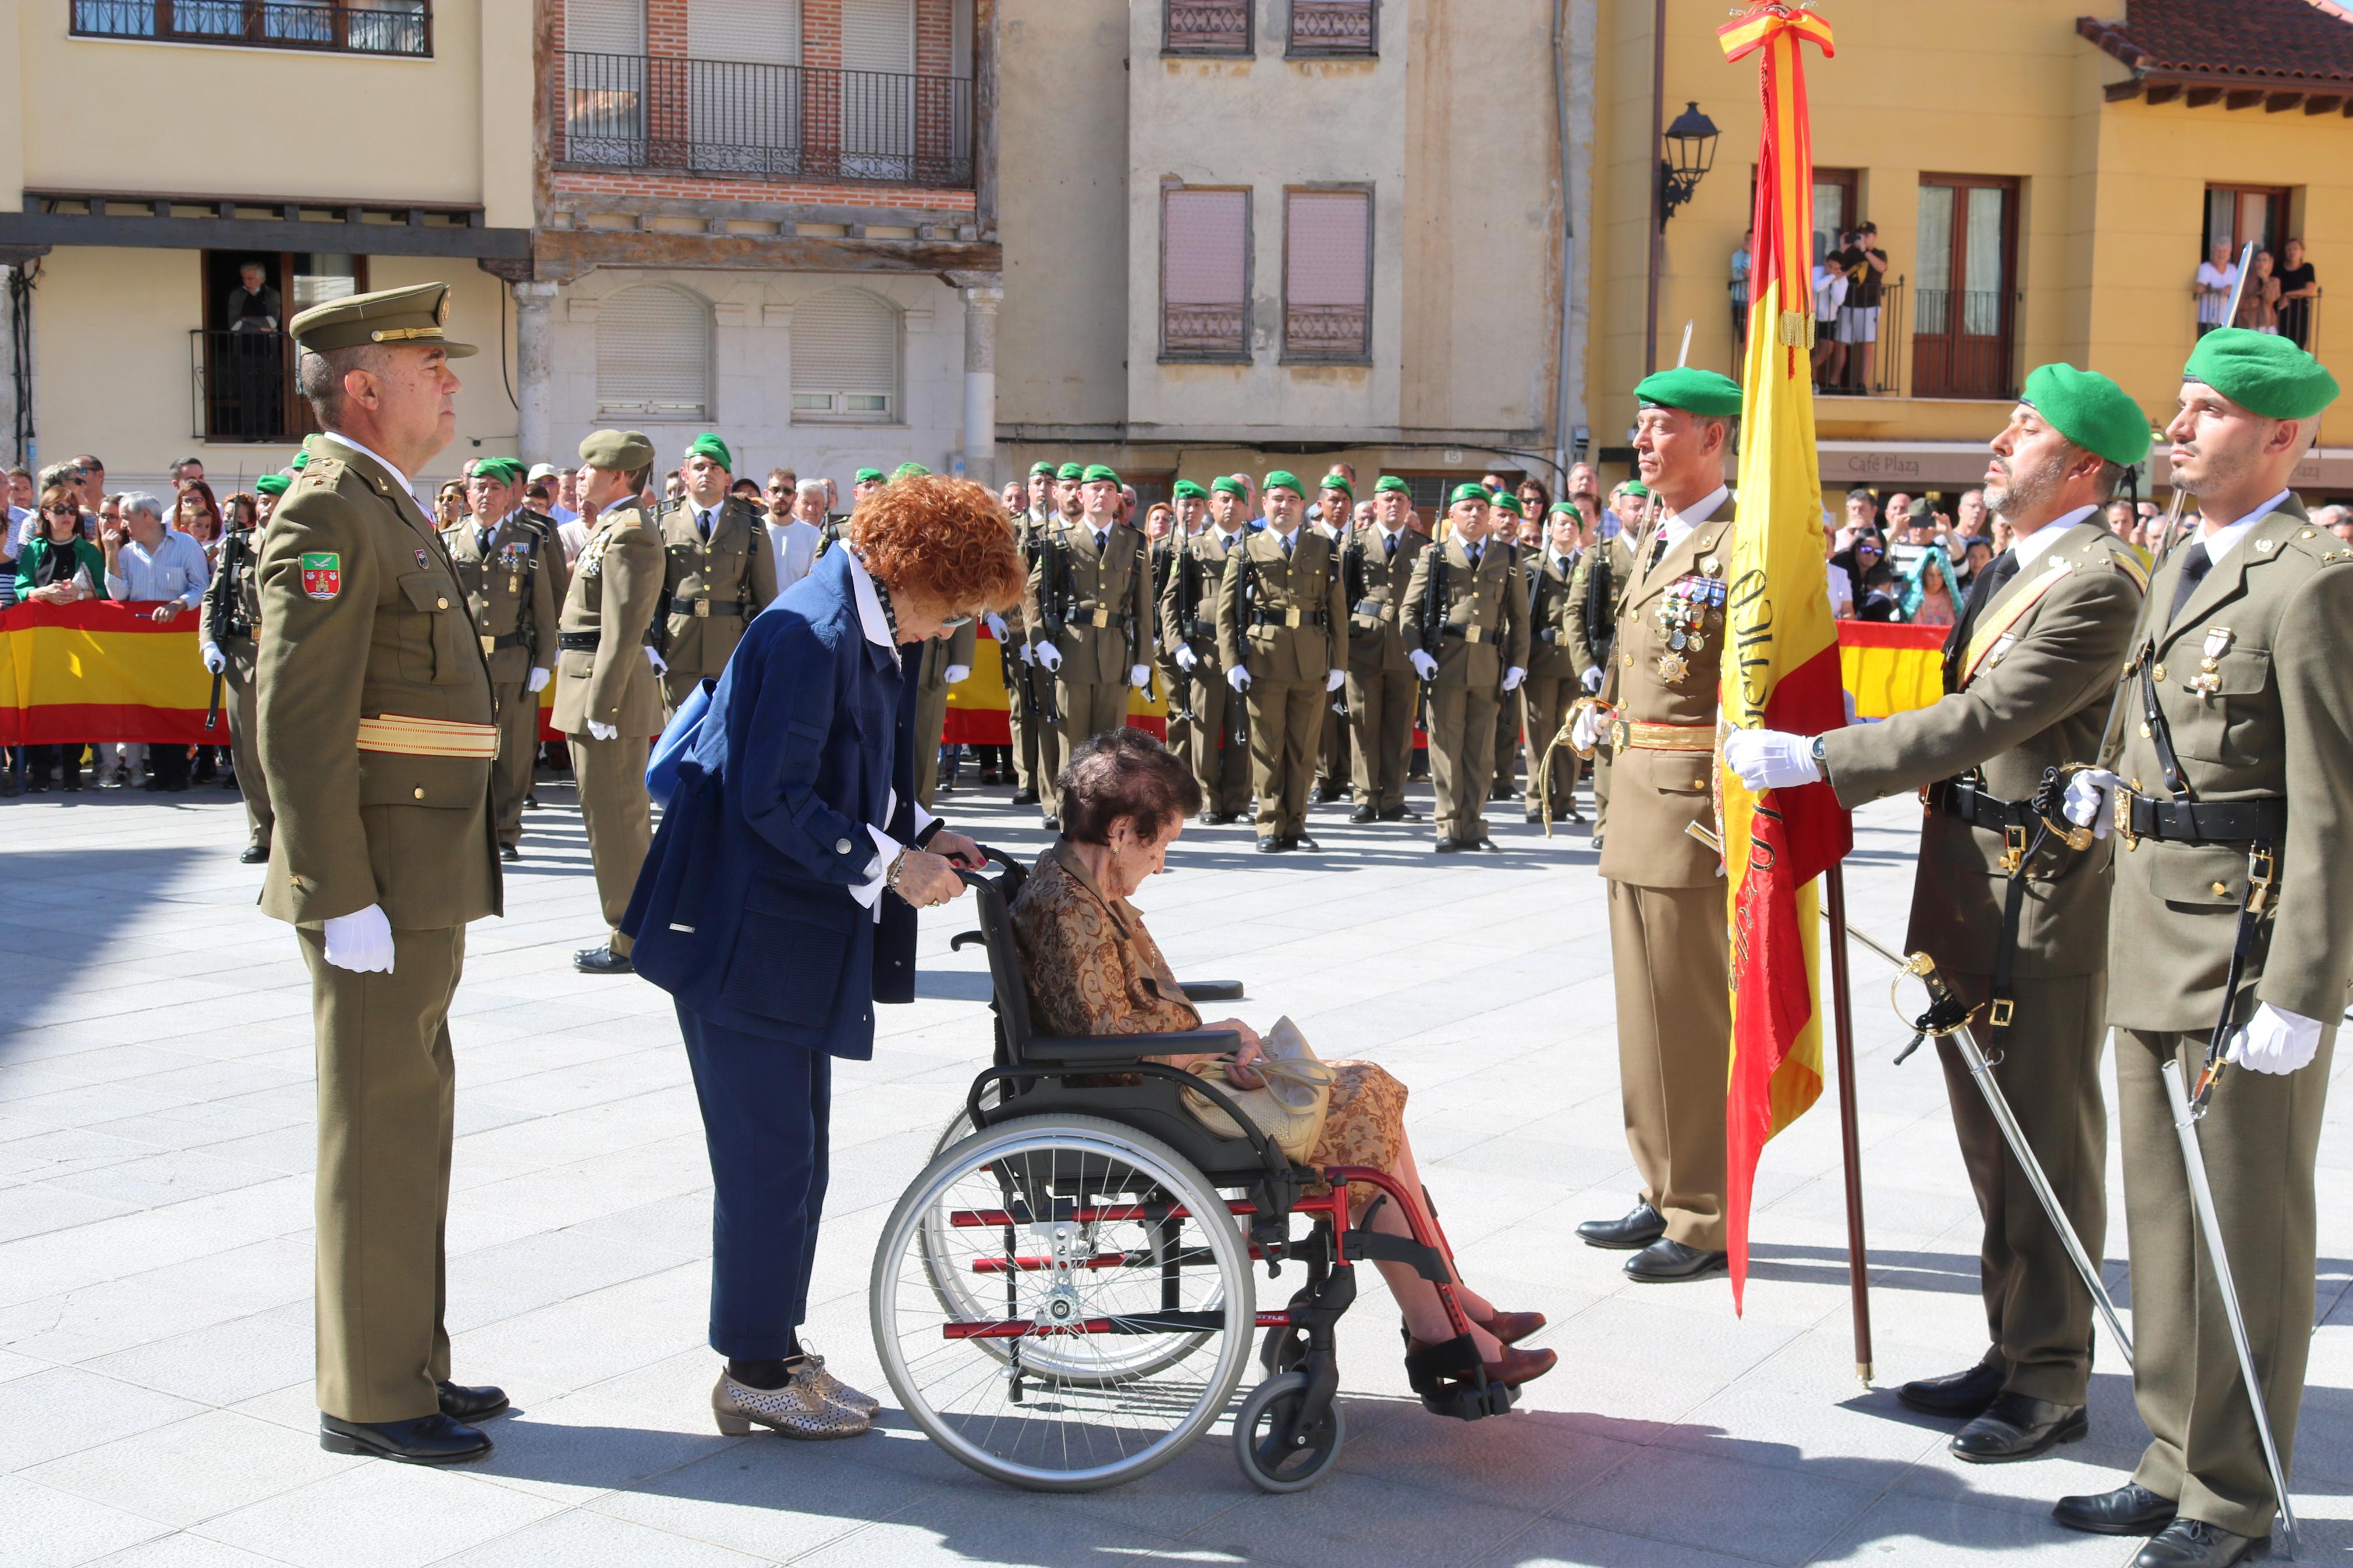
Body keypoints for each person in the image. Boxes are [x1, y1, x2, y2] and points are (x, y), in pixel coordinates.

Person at [1729, 363, 2153, 1467]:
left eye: (2026, 431)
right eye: (2010, 422)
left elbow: (1993, 713)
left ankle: (2052, 1379)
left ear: (2083, 468)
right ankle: (2009, 1350)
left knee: (2042, 1145)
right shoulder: (2016, 566)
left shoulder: (2101, 581)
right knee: (1989, 1144)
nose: (2000, 443)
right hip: (1969, 883)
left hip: (2037, 900)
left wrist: (1823, 759)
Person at [620, 475, 1023, 1442]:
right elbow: (772, 796)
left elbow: (862, 772)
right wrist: (893, 866)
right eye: (954, 604)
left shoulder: (867, 624)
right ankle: (752, 1371)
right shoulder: (813, 634)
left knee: (797, 1159)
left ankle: (775, 1347)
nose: (951, 627)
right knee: (769, 1163)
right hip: (741, 930)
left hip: (786, 932)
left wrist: (928, 830)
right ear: (910, 569)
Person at [2056, 330, 2351, 1568]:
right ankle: (2169, 1456)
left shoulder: (2307, 579)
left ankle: (2229, 1501)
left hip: (2240, 952)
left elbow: (2333, 802)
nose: (2175, 430)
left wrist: (2302, 986)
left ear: (2279, 439)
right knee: (2161, 1227)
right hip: (2146, 931)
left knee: (2241, 1231)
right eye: (2178, 408)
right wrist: (2096, 787)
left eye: (2207, 411)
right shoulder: (2178, 558)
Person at [1007, 729, 1557, 1385]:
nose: (1159, 866)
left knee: (1370, 1093)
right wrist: (1211, 1039)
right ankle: (1440, 1326)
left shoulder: (1081, 885)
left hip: (1166, 1081)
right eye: (1160, 846)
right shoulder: (1071, 907)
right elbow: (1105, 1048)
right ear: (1123, 831)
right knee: (1363, 1109)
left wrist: (1212, 1043)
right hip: (1151, 1099)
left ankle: (1449, 1306)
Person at [255, 283, 506, 1465]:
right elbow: (297, 724)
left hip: (420, 871)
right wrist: (334, 889)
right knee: (375, 1126)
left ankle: (411, 1360)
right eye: (428, 365)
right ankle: (369, 1393)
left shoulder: (388, 507)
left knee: (413, 1122)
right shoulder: (328, 512)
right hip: (377, 881)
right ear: (365, 388)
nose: (452, 381)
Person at [1573, 366, 1742, 1282]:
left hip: (1688, 810)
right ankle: (1660, 1182)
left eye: (1661, 426)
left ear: (1712, 437)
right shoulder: (1657, 534)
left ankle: (1704, 1210)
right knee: (1641, 1016)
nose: (1641, 441)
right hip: (1631, 795)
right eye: (1638, 424)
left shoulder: (1738, 540)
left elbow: (1749, 687)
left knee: (1684, 1017)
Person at [556, 431, 667, 976]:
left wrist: (602, 705)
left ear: (620, 476)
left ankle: (632, 935)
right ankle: (635, 926)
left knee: (618, 821)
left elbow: (622, 631)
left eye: (590, 468)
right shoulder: (612, 525)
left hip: (607, 694)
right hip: (589, 683)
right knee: (609, 818)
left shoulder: (629, 534)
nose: (580, 476)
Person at [442, 457, 567, 863]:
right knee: (464, 748)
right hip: (463, 661)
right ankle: (468, 826)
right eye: (479, 488)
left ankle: (506, 830)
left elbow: (543, 606)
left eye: (495, 488)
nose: (486, 495)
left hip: (513, 657)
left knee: (511, 749)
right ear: (468, 494)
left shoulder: (528, 539)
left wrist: (544, 660)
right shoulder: (447, 540)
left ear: (509, 495)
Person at [1217, 471, 1347, 852]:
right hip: (1264, 658)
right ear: (1264, 505)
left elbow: (1336, 608)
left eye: (1292, 499)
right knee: (1267, 747)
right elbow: (1227, 611)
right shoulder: (1247, 549)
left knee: (1304, 749)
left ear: (1302, 506)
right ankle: (1270, 825)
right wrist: (1231, 662)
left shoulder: (1322, 547)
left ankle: (1296, 824)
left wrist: (1338, 662)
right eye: (1277, 498)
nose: (1284, 506)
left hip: (1310, 659)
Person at [1024, 464, 1155, 829]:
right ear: (1079, 496)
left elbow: (1144, 607)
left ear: (1117, 500)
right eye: (1093, 489)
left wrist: (1144, 660)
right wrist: (1040, 641)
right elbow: (1031, 594)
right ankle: (1071, 818)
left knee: (1111, 749)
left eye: (1109, 490)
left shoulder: (1135, 543)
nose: (1101, 495)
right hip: (1072, 651)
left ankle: (1103, 819)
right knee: (1073, 742)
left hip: (1115, 654)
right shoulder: (1059, 540)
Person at [1403, 484, 1527, 852]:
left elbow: (1519, 618)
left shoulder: (1507, 557)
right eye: (1467, 508)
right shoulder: (1435, 555)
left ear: (1489, 515)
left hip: (1489, 663)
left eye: (1480, 508)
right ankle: (1447, 825)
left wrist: (1518, 663)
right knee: (1445, 749)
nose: (1474, 514)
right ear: (1451, 516)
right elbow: (1409, 611)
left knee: (1480, 751)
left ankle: (1473, 826)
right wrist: (1417, 653)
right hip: (1445, 663)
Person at [658, 433, 778, 714]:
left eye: (715, 468)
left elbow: (766, 595)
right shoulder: (663, 521)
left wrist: (766, 650)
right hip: (677, 646)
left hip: (730, 647)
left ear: (728, 478)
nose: (707, 474)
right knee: (677, 735)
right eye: (699, 467)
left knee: (724, 735)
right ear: (686, 475)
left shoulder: (751, 525)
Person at [1339, 475, 1429, 824]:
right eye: (1387, 499)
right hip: (1363, 644)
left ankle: (1393, 797)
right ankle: (1364, 797)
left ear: (1409, 507)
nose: (1394, 504)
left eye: (1400, 500)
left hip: (1405, 647)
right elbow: (1343, 598)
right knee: (1363, 724)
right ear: (1375, 506)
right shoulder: (1355, 544)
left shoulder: (1423, 546)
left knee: (1398, 725)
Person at [1163, 476, 1254, 823]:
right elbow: (1169, 601)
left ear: (1247, 508)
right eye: (1223, 501)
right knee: (1203, 727)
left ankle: (1238, 801)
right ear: (1211, 507)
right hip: (1205, 650)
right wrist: (1178, 645)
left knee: (1239, 727)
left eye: (1237, 501)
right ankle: (1209, 801)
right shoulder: (1194, 546)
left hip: (1244, 650)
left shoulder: (1254, 546)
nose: (1230, 506)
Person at [15, 482, 109, 792]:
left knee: (75, 708)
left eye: (71, 510)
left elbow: (105, 594)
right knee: (41, 705)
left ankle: (72, 772)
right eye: (59, 510)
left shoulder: (89, 551)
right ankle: (40, 772)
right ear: (46, 513)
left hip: (79, 643)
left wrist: (79, 595)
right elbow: (21, 587)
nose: (67, 516)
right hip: (41, 642)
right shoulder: (33, 549)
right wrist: (41, 592)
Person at [204, 475, 278, 860]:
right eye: (263, 500)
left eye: (275, 499)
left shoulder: (304, 541)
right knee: (247, 748)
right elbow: (213, 597)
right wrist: (208, 643)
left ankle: (288, 827)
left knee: (283, 747)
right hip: (244, 654)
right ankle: (260, 831)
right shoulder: (237, 545)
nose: (267, 507)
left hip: (286, 656)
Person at [1566, 488, 1638, 847]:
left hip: (1648, 666)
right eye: (1635, 508)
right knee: (1608, 743)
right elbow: (1574, 613)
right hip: (1608, 663)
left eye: (1647, 508)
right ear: (1619, 512)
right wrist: (1584, 663)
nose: (1643, 515)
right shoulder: (1599, 556)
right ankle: (1607, 826)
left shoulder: (1665, 553)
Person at [1521, 501, 1586, 823]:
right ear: (1549, 529)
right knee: (1539, 730)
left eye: (1573, 524)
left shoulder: (1588, 566)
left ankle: (1565, 800)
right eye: (1561, 523)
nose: (1567, 528)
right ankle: (1537, 798)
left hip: (1574, 661)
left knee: (1572, 731)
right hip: (1541, 658)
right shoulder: (1533, 566)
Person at [1313, 472, 1358, 802]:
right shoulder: (1309, 539)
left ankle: (1343, 776)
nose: (1339, 506)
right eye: (1333, 500)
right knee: (1323, 711)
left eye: (1344, 500)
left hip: (1352, 634)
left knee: (1348, 711)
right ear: (1320, 505)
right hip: (1316, 635)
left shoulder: (1358, 540)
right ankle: (1322, 777)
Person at [225, 261, 283, 439]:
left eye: (251, 278)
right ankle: (249, 434)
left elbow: (273, 323)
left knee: (265, 395)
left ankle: (264, 433)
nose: (247, 281)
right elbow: (234, 326)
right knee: (247, 394)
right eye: (245, 278)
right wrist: (260, 326)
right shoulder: (237, 295)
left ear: (262, 279)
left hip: (267, 352)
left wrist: (246, 320)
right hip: (243, 351)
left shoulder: (272, 295)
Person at [764, 468, 821, 593]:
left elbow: (812, 580)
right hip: (760, 610)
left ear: (795, 497)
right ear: (766, 494)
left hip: (797, 608)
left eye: (787, 491)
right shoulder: (756, 529)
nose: (781, 496)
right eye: (775, 490)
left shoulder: (812, 534)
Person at [2275, 237, 2316, 350]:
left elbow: (2309, 290)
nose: (2292, 252)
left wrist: (2288, 294)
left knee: (2298, 343)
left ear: (2302, 251)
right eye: (2289, 249)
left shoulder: (2307, 268)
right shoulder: (2279, 268)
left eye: (2295, 249)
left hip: (2299, 311)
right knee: (2281, 342)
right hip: (2281, 311)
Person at [1901, 547, 1960, 627]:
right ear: (1923, 575)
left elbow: (1951, 626)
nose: (1935, 580)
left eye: (1939, 575)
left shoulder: (1948, 596)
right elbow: (1917, 627)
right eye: (1931, 575)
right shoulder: (1918, 597)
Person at [2194, 241, 2239, 339]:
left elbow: (2237, 289)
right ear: (2213, 252)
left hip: (2225, 318)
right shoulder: (2206, 268)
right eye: (2219, 251)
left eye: (2225, 251)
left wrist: (2230, 289)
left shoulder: (2232, 269)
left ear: (2229, 254)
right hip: (2206, 318)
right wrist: (2218, 290)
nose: (2222, 254)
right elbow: (2198, 288)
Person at [2231, 248, 2280, 335]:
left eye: (2265, 260)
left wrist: (2265, 280)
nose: (2261, 264)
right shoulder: (2246, 281)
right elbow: (2239, 303)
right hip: (2249, 323)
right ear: (2254, 263)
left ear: (2270, 264)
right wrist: (2254, 299)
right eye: (2259, 260)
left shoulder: (2274, 281)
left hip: (2267, 324)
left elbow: (2272, 298)